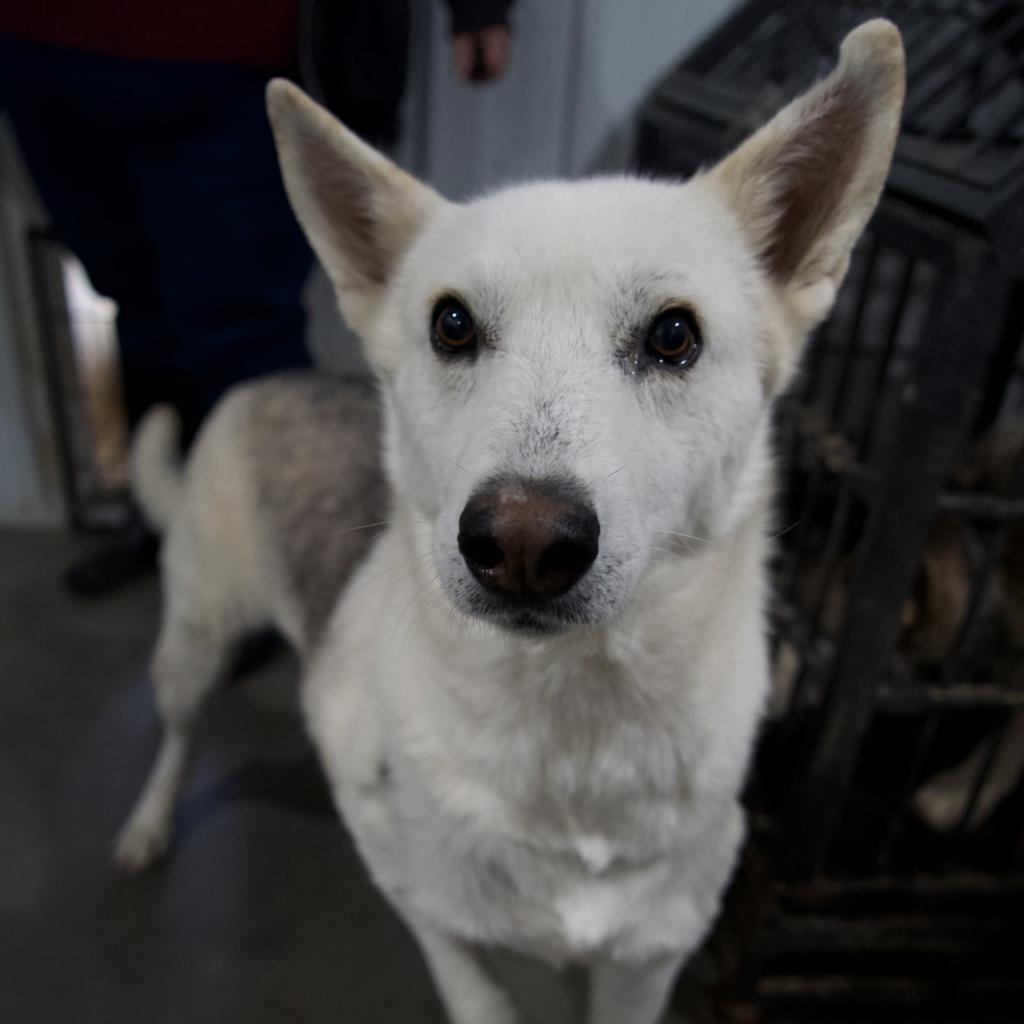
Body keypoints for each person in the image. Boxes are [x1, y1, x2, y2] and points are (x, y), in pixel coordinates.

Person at [0, 0, 513, 593]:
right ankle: (166, 520)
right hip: (43, 53)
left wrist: (478, 8)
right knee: (133, 307)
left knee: (242, 335)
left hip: (231, 57)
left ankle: (266, 564)